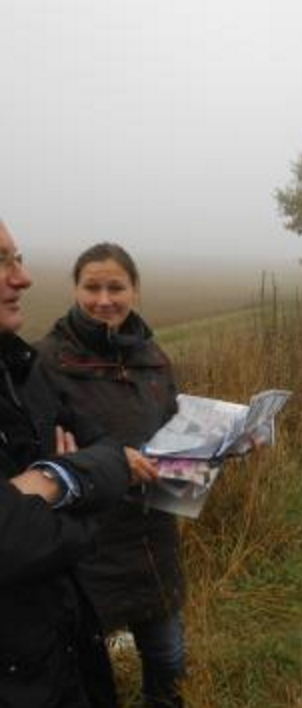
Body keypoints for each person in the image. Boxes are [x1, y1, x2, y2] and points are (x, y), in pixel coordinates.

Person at [36, 243, 186, 708]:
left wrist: (228, 444)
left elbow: (176, 439)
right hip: (86, 544)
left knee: (168, 659)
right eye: (92, 287)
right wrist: (104, 462)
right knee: (86, 674)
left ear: (134, 291)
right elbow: (34, 455)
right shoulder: (45, 363)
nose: (104, 299)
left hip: (153, 537)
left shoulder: (155, 360)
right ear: (75, 289)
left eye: (116, 287)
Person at [0, 219, 131, 707]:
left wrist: (51, 480)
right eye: (1, 261)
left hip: (64, 647)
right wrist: (83, 500)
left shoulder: (19, 371)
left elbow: (111, 453)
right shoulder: (47, 358)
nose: (23, 277)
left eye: (18, 257)